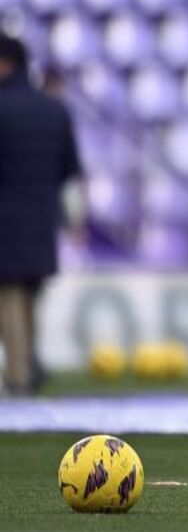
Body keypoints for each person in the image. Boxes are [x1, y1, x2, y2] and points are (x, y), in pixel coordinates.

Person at [0, 34, 82, 396]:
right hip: (41, 215)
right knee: (29, 293)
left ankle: (19, 375)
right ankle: (30, 365)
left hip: (4, 219)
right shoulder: (53, 108)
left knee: (8, 295)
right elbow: (69, 168)